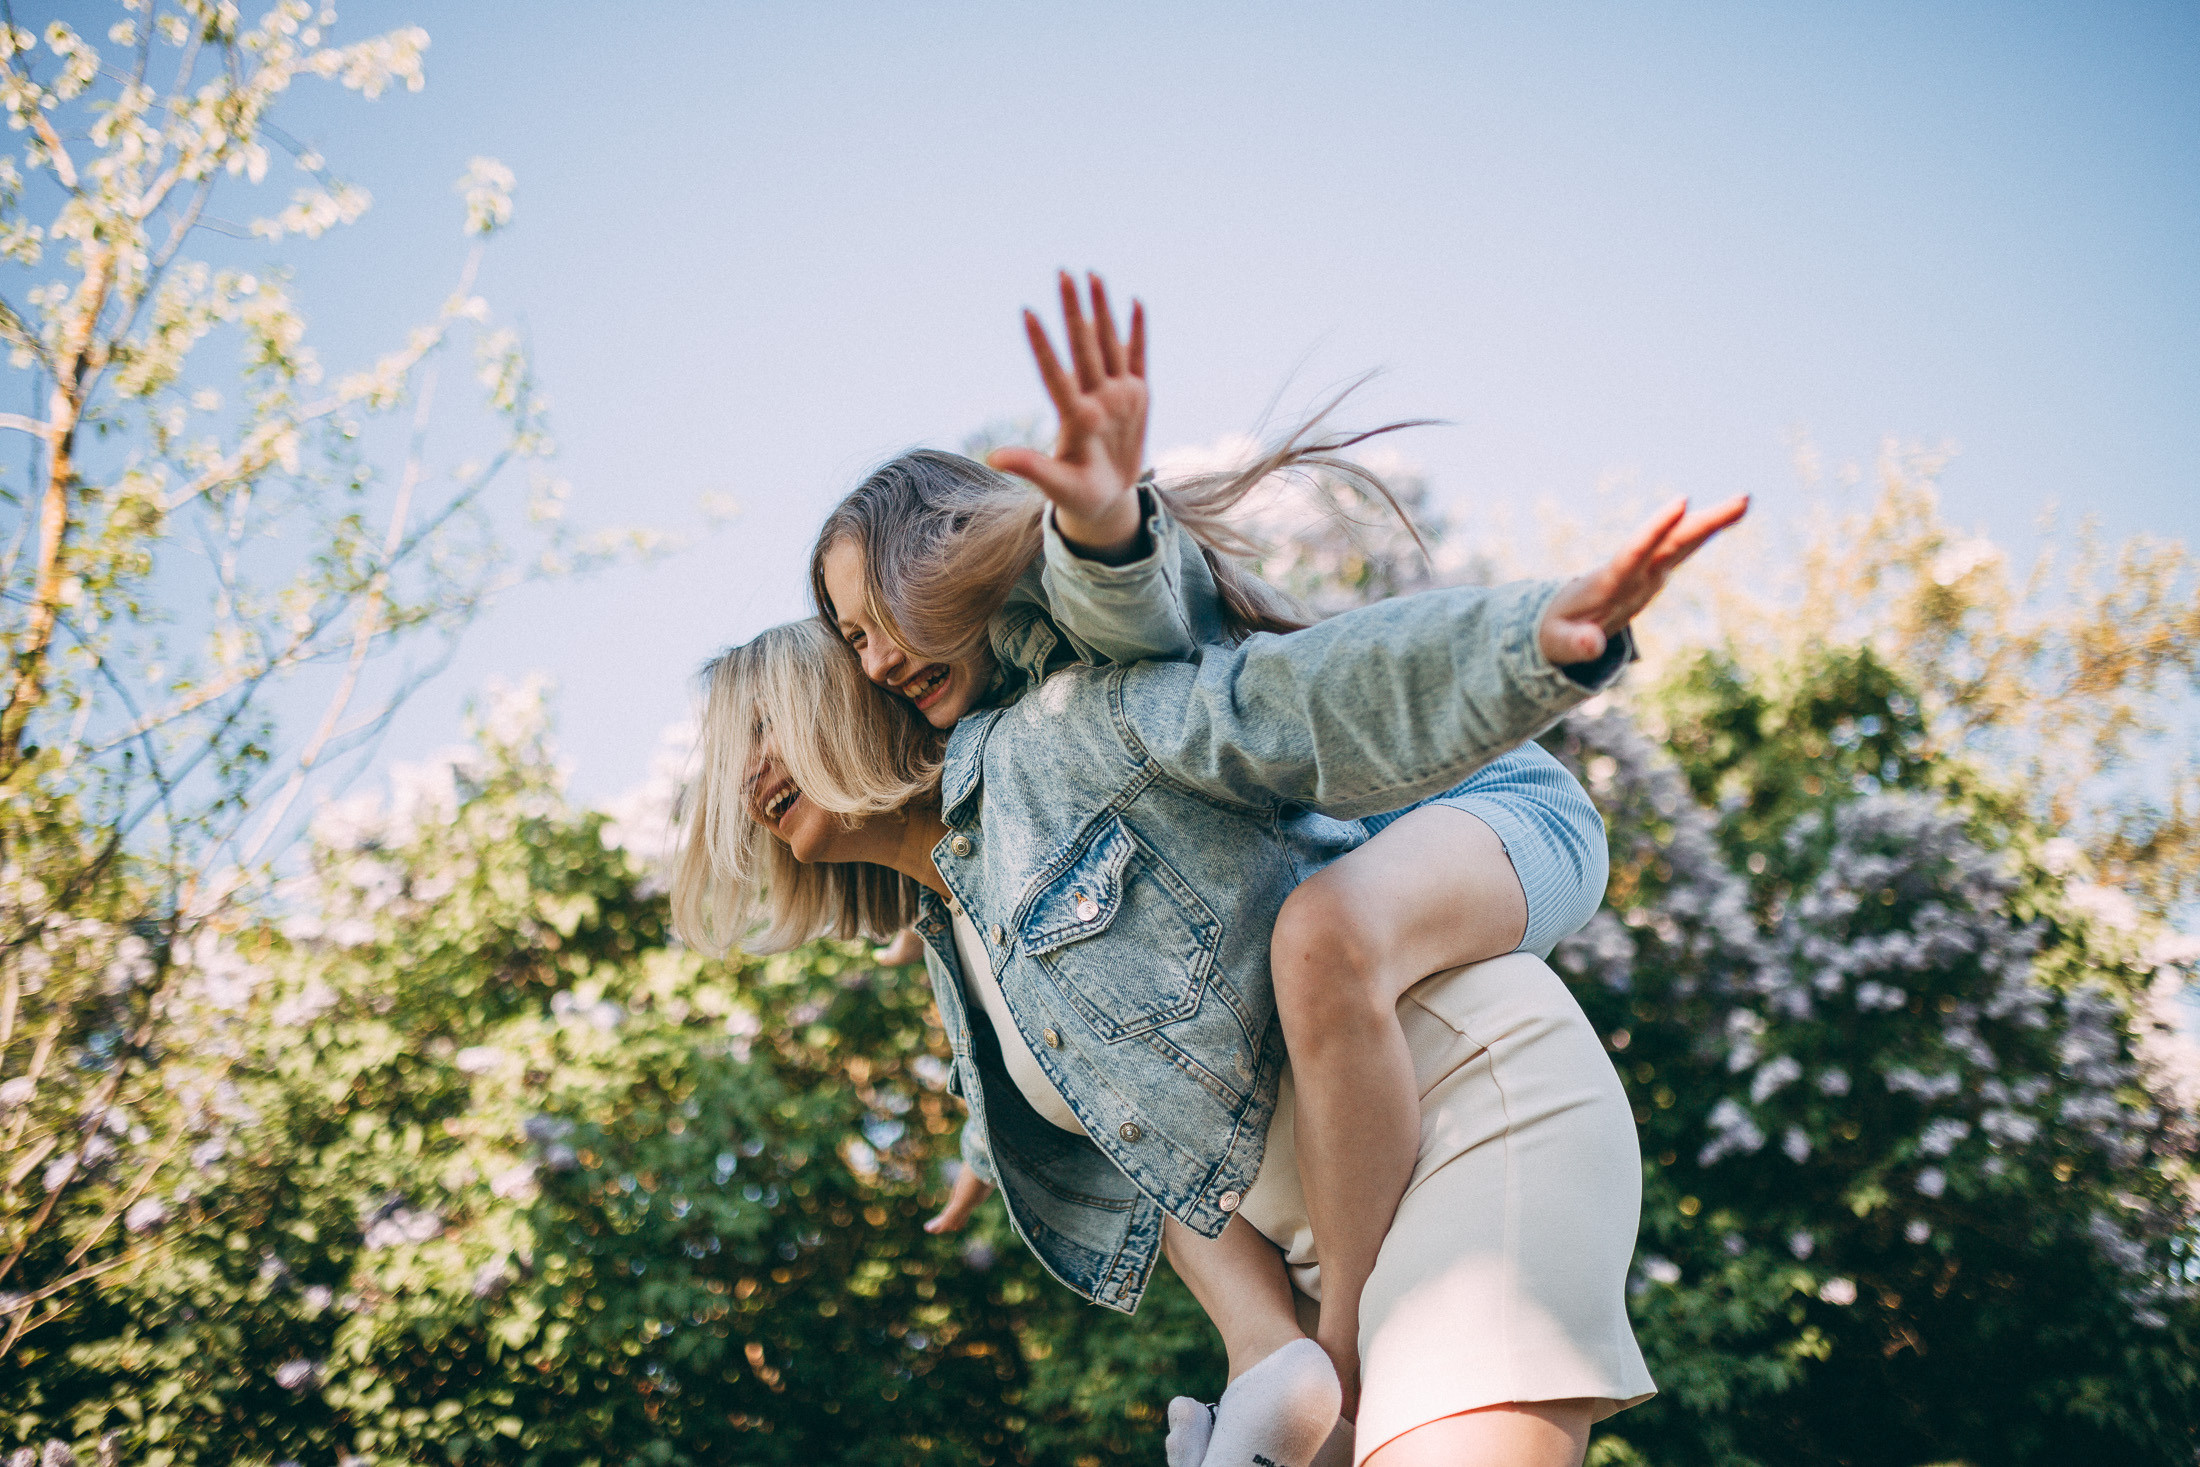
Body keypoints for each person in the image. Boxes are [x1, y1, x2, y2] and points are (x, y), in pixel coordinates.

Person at [673, 488, 1743, 1466]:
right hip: (1329, 1234)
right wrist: (984, 1143)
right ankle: (1274, 1366)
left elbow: (1298, 698)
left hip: (1465, 1112)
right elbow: (1133, 1099)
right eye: (730, 758)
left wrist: (1531, 643)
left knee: (1323, 932)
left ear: (848, 707)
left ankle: (1308, 1368)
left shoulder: (1068, 733)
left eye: (764, 728)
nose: (748, 776)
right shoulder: (961, 938)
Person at [811, 275, 1615, 1426]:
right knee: (1189, 1052)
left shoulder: (1087, 646)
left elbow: (1134, 601)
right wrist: (985, 1142)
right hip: (1383, 860)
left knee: (1325, 934)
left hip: (1490, 803)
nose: (877, 659)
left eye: (882, 616)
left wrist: (1096, 523)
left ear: (944, 572)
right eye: (851, 641)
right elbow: (1067, 1015)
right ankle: (1301, 1376)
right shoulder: (1001, 783)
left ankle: (1330, 1363)